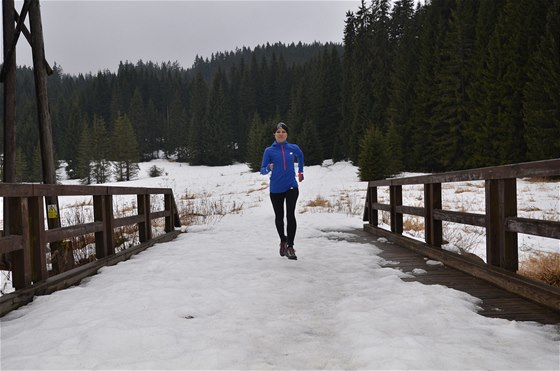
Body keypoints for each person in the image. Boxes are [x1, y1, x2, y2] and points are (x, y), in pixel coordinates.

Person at [260, 122, 304, 260]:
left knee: (290, 215)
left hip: (291, 186)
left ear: (287, 134)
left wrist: (301, 171)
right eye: (278, 131)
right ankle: (283, 241)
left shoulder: (293, 148)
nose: (281, 134)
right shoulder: (269, 151)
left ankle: (290, 246)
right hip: (276, 188)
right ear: (274, 134)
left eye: (283, 131)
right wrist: (268, 168)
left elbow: (301, 156)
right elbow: (262, 170)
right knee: (279, 217)